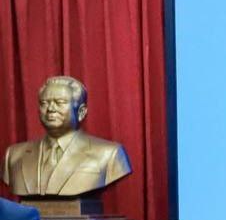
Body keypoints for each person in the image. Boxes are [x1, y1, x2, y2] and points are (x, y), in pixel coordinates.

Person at [2, 76, 131, 197]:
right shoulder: (14, 155)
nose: (50, 108)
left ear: (81, 112)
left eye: (60, 102)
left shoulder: (110, 154)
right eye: (44, 103)